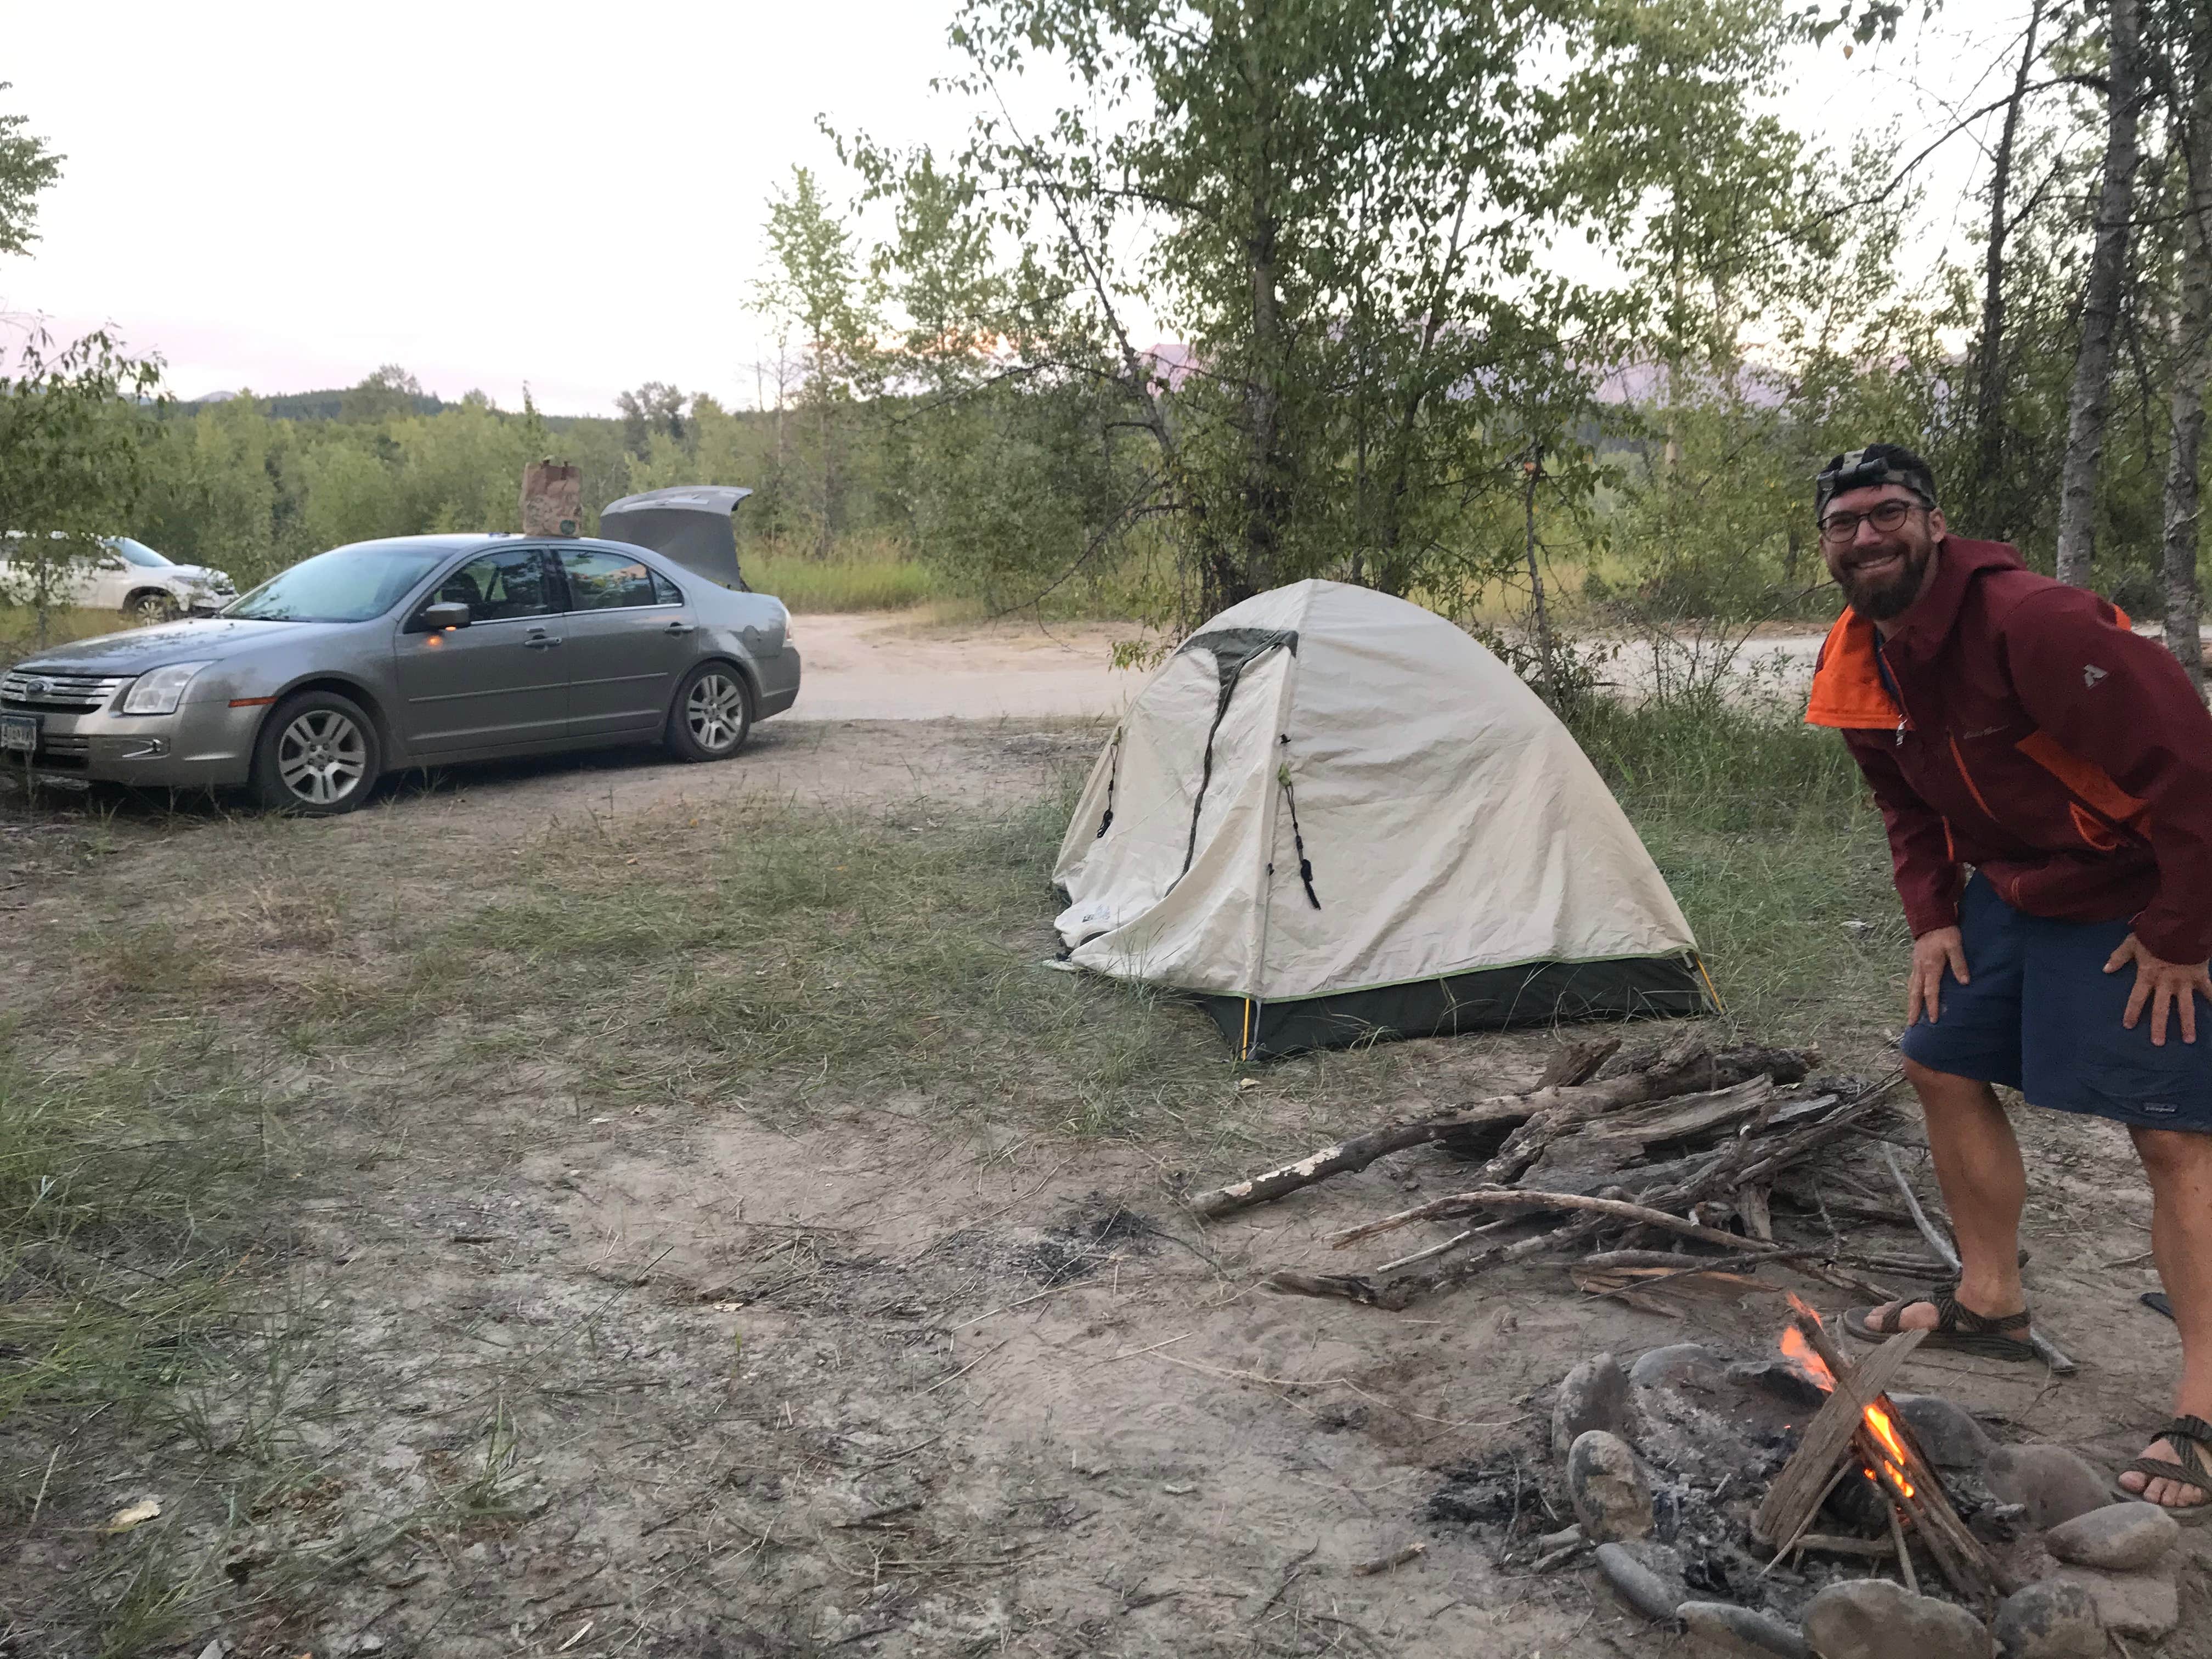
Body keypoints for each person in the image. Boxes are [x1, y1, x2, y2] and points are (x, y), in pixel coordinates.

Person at [1802, 444, 2212, 1516]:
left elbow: (2192, 761)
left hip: (2136, 887)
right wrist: (1934, 916)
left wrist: (2180, 929)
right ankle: (1992, 1300)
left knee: (2171, 1134)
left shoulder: (2033, 623)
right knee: (1937, 1062)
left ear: (1933, 524)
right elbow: (1904, 801)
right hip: (2015, 891)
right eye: (1844, 523)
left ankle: (2206, 1408)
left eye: (1887, 512)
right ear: (1828, 549)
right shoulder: (1864, 657)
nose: (1866, 536)